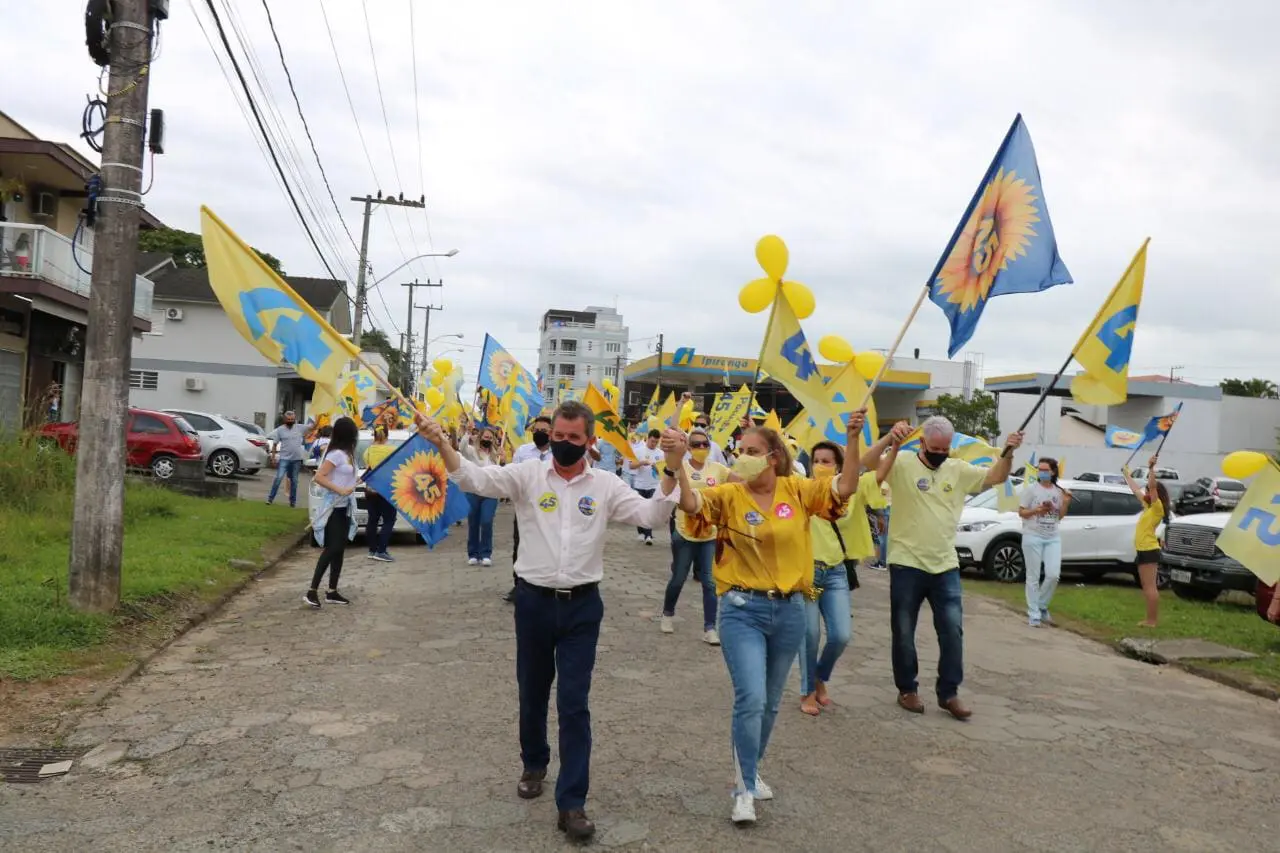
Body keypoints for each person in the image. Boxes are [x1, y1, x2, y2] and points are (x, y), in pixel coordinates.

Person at [418, 402, 681, 841]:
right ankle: (534, 762)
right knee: (533, 689)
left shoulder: (607, 485)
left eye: (574, 438)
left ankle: (572, 802)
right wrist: (443, 442)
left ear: (590, 441)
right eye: (559, 434)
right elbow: (475, 478)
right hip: (534, 602)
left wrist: (672, 469)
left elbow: (652, 514)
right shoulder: (527, 476)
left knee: (574, 702)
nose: (563, 443)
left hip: (582, 606)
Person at [671, 413, 867, 825]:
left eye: (753, 452)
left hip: (791, 608)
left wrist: (852, 440)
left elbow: (844, 487)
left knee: (772, 703)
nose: (743, 458)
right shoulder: (728, 493)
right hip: (742, 609)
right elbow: (691, 506)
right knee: (752, 697)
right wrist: (676, 468)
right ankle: (742, 788)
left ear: (774, 458)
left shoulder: (797, 490)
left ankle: (751, 769)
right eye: (741, 451)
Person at [861, 415, 1022, 720]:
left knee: (952, 631)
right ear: (921, 442)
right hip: (906, 562)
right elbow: (868, 463)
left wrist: (1009, 451)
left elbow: (996, 477)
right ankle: (907, 689)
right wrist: (889, 439)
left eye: (945, 448)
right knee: (904, 631)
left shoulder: (957, 469)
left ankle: (949, 693)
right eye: (935, 447)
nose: (940, 453)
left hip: (945, 565)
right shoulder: (903, 462)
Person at [798, 441, 885, 716]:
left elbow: (869, 466)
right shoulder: (802, 489)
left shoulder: (850, 490)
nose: (821, 466)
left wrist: (890, 443)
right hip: (809, 576)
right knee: (810, 633)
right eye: (817, 461)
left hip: (835, 573)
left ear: (838, 465)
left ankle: (820, 677)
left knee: (840, 635)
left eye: (827, 461)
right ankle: (807, 691)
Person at [660, 428, 729, 644]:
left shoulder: (718, 469)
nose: (701, 448)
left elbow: (744, 483)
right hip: (684, 531)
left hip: (710, 533)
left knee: (709, 582)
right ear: (689, 448)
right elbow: (667, 487)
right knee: (678, 578)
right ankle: (667, 614)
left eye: (705, 445)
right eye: (696, 444)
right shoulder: (681, 467)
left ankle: (710, 627)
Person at [306, 416, 359, 608]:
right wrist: (339, 489)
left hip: (345, 507)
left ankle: (332, 591)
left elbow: (348, 480)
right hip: (332, 508)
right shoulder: (335, 454)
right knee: (332, 548)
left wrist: (353, 484)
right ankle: (312, 591)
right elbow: (319, 477)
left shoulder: (349, 454)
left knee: (339, 550)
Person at [503, 415, 554, 602]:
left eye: (544, 431)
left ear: (551, 433)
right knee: (520, 545)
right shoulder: (523, 452)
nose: (539, 433)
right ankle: (519, 586)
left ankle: (546, 585)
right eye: (536, 430)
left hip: (551, 509)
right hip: (525, 508)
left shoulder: (558, 454)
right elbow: (513, 478)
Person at [1018, 458, 1071, 627]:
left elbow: (1059, 516)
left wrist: (1066, 503)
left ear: (1053, 472)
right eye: (1039, 469)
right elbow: (1022, 512)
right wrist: (1037, 510)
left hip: (1052, 536)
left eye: (1045, 470)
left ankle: (1041, 605)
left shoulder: (1058, 491)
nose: (1042, 473)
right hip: (1032, 535)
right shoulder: (1031, 490)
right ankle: (1033, 613)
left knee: (1053, 574)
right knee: (1033, 576)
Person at [1124, 456, 1172, 628]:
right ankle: (1149, 619)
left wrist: (1151, 468)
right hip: (1144, 550)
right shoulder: (1148, 507)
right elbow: (1136, 489)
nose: (1146, 492)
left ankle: (1152, 621)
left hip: (1149, 550)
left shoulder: (1157, 507)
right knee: (1146, 586)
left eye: (1149, 491)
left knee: (1150, 587)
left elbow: (1152, 486)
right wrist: (1126, 474)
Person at [461, 426, 502, 566]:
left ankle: (486, 554)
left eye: (490, 438)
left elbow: (502, 472)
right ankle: (473, 553)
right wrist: (467, 431)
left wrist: (503, 459)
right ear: (480, 437)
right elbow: (462, 447)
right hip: (473, 492)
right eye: (485, 437)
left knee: (486, 521)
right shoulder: (472, 452)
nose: (488, 440)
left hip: (490, 493)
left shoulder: (496, 454)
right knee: (473, 522)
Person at [362, 424, 398, 562]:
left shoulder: (368, 451)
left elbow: (368, 467)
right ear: (387, 435)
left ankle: (372, 550)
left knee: (373, 519)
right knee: (389, 520)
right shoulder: (392, 450)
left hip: (371, 490)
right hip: (387, 489)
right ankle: (381, 550)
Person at [628, 430, 664, 544]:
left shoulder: (661, 453)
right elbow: (631, 466)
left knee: (650, 510)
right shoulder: (639, 451)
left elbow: (663, 471)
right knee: (640, 509)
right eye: (652, 441)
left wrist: (657, 468)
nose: (654, 444)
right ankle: (641, 532)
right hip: (639, 484)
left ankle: (648, 535)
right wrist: (641, 463)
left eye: (656, 442)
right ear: (648, 438)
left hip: (653, 485)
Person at [266, 410, 307, 507]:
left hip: (296, 459)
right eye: (288, 419)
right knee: (279, 478)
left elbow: (313, 427)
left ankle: (292, 502)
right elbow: (274, 444)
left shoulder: (300, 428)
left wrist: (319, 417)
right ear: (285, 419)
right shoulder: (280, 430)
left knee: (294, 481)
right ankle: (270, 499)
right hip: (284, 458)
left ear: (295, 419)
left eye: (292, 419)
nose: (290, 421)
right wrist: (273, 458)